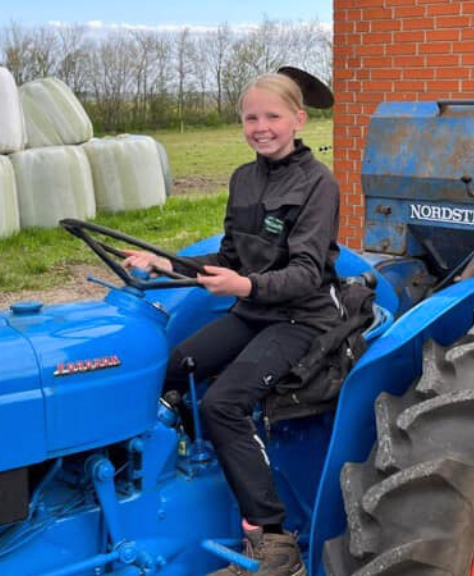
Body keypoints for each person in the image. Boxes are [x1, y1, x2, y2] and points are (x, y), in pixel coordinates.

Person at [122, 72, 341, 576]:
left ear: (298, 120)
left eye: (272, 117)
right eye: (251, 117)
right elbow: (226, 256)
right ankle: (193, 468)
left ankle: (274, 539)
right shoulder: (244, 178)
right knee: (171, 369)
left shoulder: (318, 183)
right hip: (254, 310)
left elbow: (307, 274)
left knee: (225, 403)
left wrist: (245, 287)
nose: (261, 127)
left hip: (302, 317)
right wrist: (166, 264)